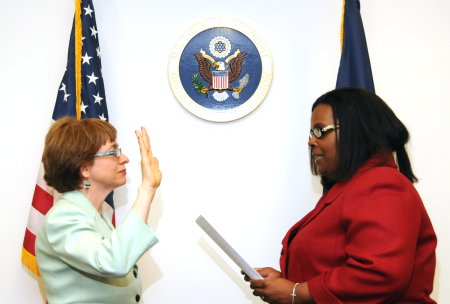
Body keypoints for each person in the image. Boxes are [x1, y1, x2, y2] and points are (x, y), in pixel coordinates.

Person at [246, 88, 437, 303]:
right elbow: (333, 267)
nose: (311, 141)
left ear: (357, 131)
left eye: (320, 131)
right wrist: (287, 283)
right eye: (311, 133)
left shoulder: (381, 184)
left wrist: (297, 292)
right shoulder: (348, 188)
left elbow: (379, 274)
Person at [35, 116, 162, 303]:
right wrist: (147, 188)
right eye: (113, 152)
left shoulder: (97, 215)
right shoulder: (61, 218)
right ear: (85, 169)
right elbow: (113, 261)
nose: (124, 159)